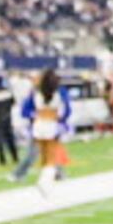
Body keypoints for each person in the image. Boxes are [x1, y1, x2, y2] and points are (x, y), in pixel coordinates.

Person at [23, 68, 70, 199]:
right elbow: (66, 111)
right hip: (52, 124)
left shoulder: (35, 93)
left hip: (38, 125)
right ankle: (44, 183)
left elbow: (25, 110)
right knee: (51, 157)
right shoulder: (60, 92)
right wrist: (62, 121)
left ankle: (45, 182)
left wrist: (35, 116)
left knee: (43, 156)